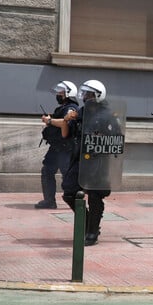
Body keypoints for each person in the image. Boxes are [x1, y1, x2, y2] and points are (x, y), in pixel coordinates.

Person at [59, 80, 121, 245]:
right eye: (84, 93)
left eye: (88, 94)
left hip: (97, 161)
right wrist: (68, 119)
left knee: (94, 195)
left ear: (98, 96)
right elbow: (70, 132)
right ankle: (87, 223)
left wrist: (101, 139)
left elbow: (117, 137)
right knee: (69, 191)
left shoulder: (108, 114)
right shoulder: (82, 111)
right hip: (79, 158)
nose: (85, 97)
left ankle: (92, 232)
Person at [36, 81, 79, 209]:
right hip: (56, 147)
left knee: (68, 176)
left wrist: (50, 120)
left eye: (61, 93)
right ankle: (49, 201)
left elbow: (65, 122)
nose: (58, 95)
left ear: (68, 94)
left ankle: (75, 201)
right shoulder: (63, 107)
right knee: (47, 171)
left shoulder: (71, 108)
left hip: (66, 148)